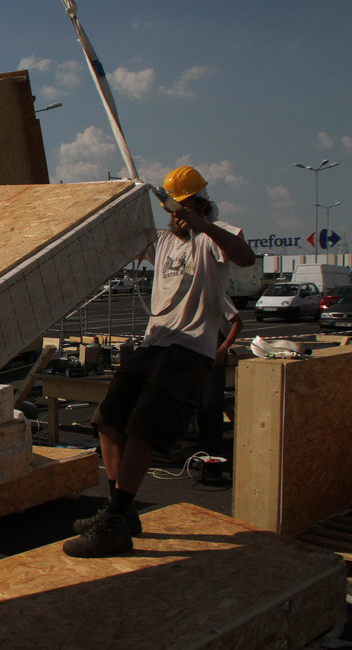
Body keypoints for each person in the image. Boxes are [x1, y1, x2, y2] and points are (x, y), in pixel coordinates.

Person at [63, 166, 256, 558]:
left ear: (201, 203)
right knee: (108, 419)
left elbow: (246, 257)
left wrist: (203, 225)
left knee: (143, 428)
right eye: (172, 209)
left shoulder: (215, 239)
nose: (176, 216)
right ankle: (124, 510)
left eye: (184, 207)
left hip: (189, 351)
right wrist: (116, 196)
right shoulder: (165, 242)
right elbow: (119, 238)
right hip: (155, 343)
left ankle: (114, 520)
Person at [197, 295, 242, 459]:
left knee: (211, 405)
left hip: (214, 355)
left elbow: (237, 322)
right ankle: (202, 450)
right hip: (197, 353)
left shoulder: (218, 295)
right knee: (199, 406)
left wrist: (223, 348)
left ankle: (212, 451)